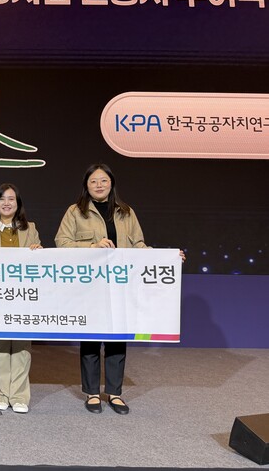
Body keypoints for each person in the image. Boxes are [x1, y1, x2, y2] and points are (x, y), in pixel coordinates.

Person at [54, 163, 184, 415]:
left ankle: (114, 393)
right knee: (91, 340)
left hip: (120, 286)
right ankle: (92, 393)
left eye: (103, 180)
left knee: (117, 339)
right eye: (93, 181)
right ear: (86, 185)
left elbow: (139, 246)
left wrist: (167, 257)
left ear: (111, 183)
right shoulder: (75, 211)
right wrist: (92, 246)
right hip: (90, 286)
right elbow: (62, 242)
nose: (99, 185)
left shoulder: (126, 212)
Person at [0, 183, 42, 414]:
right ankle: (2, 394)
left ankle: (20, 396)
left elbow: (40, 261)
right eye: (2, 199)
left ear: (18, 203)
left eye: (11, 199)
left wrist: (38, 251)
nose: (6, 203)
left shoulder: (30, 228)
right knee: (1, 347)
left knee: (22, 347)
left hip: (23, 296)